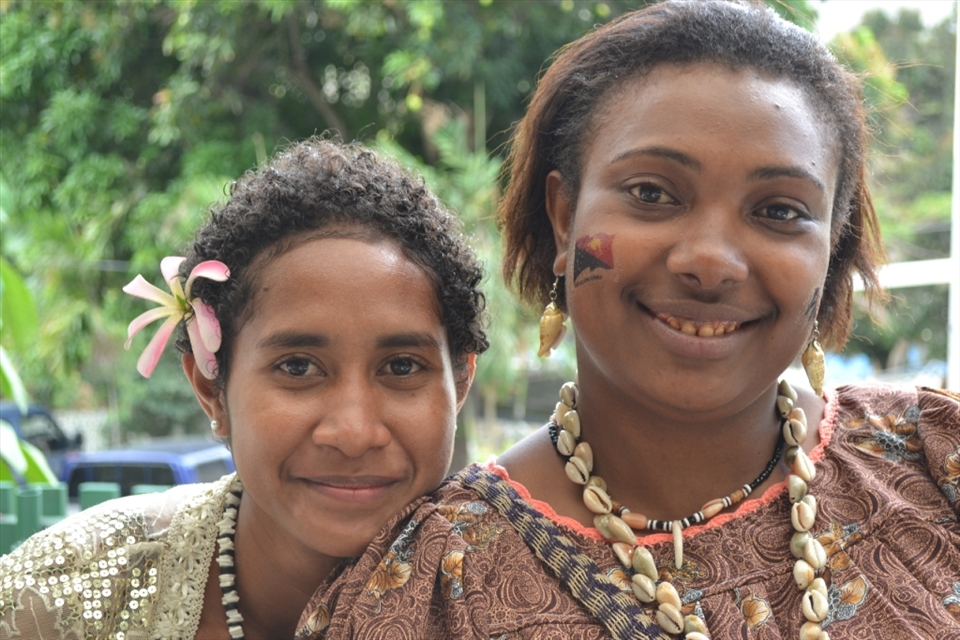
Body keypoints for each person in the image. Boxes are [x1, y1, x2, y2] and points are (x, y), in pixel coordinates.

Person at [295, 2, 960, 639]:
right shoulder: (431, 588)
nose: (711, 262)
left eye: (779, 211)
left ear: (832, 246)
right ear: (564, 219)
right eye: (651, 193)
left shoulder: (932, 466)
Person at [0, 138, 489, 639]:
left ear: (461, 380)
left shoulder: (525, 607)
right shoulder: (61, 600)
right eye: (298, 367)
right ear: (212, 390)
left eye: (402, 366)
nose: (354, 433)